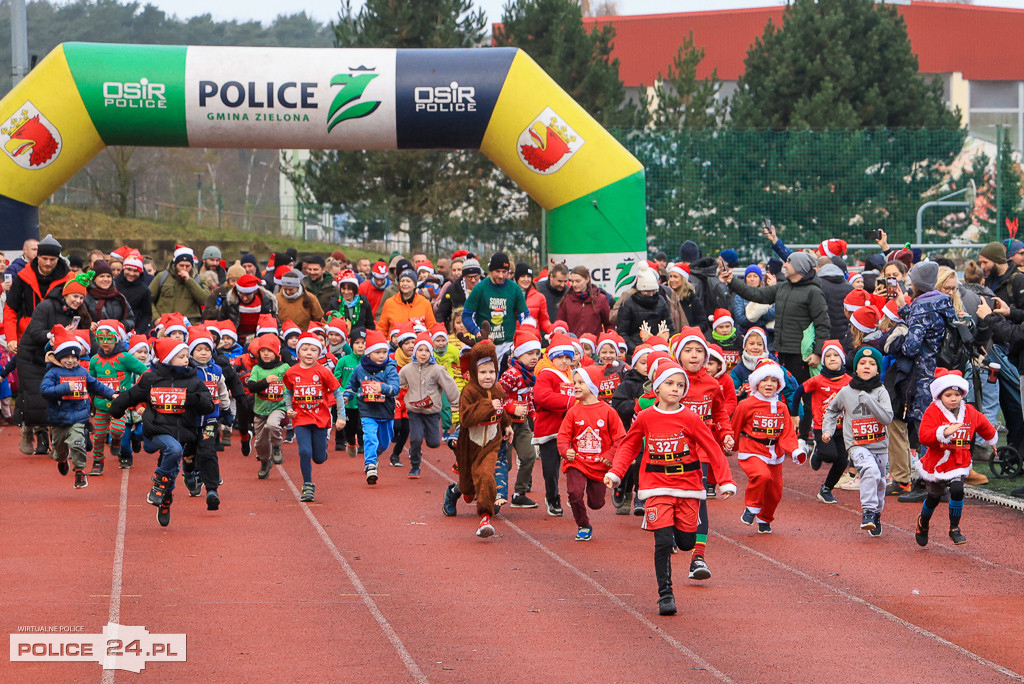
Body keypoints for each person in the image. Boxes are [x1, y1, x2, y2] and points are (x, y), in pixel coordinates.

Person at [604, 359, 737, 616]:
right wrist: (616, 473)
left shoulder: (690, 418)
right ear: (656, 387)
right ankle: (665, 594)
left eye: (680, 385)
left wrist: (725, 480)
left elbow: (711, 448)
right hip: (656, 487)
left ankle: (680, 531)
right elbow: (629, 445)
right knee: (663, 542)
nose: (675, 388)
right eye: (669, 383)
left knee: (686, 542)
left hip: (688, 486)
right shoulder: (646, 417)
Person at [721, 251, 830, 443]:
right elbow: (756, 294)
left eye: (788, 262)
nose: (784, 266)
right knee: (784, 394)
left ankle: (804, 437)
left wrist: (817, 352)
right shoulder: (783, 287)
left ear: (799, 268)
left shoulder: (813, 292)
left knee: (802, 395)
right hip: (782, 352)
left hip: (802, 355)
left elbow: (823, 324)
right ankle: (786, 435)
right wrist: (732, 282)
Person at [109, 337, 214, 526]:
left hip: (181, 433)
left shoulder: (193, 381)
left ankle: (165, 498)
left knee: (173, 465)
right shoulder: (151, 379)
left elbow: (208, 405)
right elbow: (132, 395)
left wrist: (193, 399)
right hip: (156, 430)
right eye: (181, 356)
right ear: (168, 358)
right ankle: (158, 487)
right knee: (174, 450)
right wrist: (117, 408)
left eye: (187, 356)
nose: (186, 360)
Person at [885, 261, 956, 501]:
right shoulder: (942, 301)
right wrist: (904, 307)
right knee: (939, 424)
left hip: (923, 375)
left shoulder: (921, 307)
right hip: (941, 371)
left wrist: (895, 340)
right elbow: (929, 324)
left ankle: (929, 484)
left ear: (917, 283)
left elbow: (911, 346)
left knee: (926, 426)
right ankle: (938, 480)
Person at [676, 328, 735, 579]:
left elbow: (720, 413)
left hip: (700, 452)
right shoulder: (672, 380)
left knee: (699, 500)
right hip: (673, 451)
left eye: (699, 351)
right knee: (675, 499)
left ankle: (698, 557)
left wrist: (726, 433)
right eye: (688, 350)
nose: (694, 355)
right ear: (678, 354)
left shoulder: (712, 384)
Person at [915, 369, 997, 546]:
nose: (953, 399)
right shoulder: (933, 411)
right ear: (940, 396)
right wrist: (944, 432)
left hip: (958, 461)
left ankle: (954, 528)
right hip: (937, 462)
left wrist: (992, 440)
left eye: (957, 395)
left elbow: (983, 424)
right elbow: (923, 436)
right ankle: (923, 522)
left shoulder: (969, 411)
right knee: (933, 498)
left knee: (958, 489)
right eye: (948, 395)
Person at [441, 341, 514, 538]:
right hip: (470, 445)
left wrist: (507, 424)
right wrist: (488, 406)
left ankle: (485, 519)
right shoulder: (469, 392)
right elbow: (466, 418)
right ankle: (453, 492)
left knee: (485, 476)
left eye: (491, 372)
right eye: (482, 372)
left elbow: (501, 409)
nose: (488, 376)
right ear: (474, 372)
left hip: (491, 444)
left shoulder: (498, 390)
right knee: (468, 487)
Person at [17, 273, 94, 456]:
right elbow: (35, 331)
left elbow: (85, 336)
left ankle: (57, 444)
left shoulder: (78, 312)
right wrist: (55, 335)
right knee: (36, 399)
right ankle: (28, 430)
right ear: (65, 294)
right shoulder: (46, 306)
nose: (78, 301)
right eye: (75, 296)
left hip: (56, 359)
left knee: (58, 400)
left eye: (81, 297)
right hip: (32, 357)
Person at [822, 346, 893, 536]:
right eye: (862, 363)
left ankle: (876, 513)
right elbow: (832, 410)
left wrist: (869, 401)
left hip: (879, 445)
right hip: (856, 444)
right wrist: (828, 430)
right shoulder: (846, 392)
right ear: (856, 368)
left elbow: (887, 418)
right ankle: (868, 511)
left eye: (872, 364)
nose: (866, 366)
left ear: (877, 370)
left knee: (880, 482)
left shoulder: (881, 392)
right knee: (869, 470)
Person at [734, 359, 806, 534]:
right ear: (756, 383)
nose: (769, 384)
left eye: (773, 381)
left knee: (775, 491)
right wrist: (730, 444)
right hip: (752, 450)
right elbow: (735, 426)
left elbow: (787, 433)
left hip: (775, 454)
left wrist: (795, 450)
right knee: (761, 475)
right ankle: (751, 508)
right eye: (764, 380)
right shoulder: (745, 405)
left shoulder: (782, 407)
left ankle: (765, 519)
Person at [40, 326, 117, 489]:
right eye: (66, 357)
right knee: (59, 450)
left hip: (78, 417)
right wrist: (66, 387)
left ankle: (80, 471)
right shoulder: (53, 373)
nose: (70, 360)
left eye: (73, 357)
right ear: (59, 357)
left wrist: (112, 394)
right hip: (59, 419)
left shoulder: (82, 371)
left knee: (77, 443)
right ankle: (62, 460)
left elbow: (96, 385)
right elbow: (45, 391)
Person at [557, 364, 625, 541]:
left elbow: (620, 438)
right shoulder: (573, 412)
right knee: (574, 493)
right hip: (577, 461)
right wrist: (565, 451)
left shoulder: (608, 412)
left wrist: (609, 456)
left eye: (581, 382)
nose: (576, 386)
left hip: (599, 464)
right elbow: (563, 436)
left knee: (596, 503)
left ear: (592, 385)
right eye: (575, 382)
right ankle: (583, 525)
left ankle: (595, 498)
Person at [283, 332, 345, 502]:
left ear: (319, 353)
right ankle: (307, 485)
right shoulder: (291, 372)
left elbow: (337, 393)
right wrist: (289, 408)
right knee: (304, 451)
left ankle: (321, 452)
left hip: (320, 419)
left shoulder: (323, 371)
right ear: (298, 352)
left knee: (318, 458)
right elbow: (288, 392)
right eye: (305, 349)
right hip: (301, 418)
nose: (309, 353)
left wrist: (341, 416)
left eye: (313, 350)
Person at [791, 340, 851, 504]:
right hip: (822, 426)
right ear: (823, 360)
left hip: (842, 427)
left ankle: (826, 490)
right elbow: (798, 392)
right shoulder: (817, 380)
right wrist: (795, 413)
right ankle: (818, 451)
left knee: (842, 461)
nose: (832, 358)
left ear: (842, 359)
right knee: (830, 455)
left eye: (836, 355)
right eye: (828, 356)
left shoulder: (849, 381)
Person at [88, 320, 149, 476]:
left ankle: (116, 440)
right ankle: (98, 462)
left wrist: (136, 391)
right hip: (101, 405)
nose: (105, 342)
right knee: (99, 436)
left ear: (117, 339)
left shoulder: (125, 357)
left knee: (117, 429)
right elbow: (91, 382)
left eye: (109, 338)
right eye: (100, 338)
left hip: (121, 404)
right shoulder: (94, 360)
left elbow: (145, 372)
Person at [399, 333, 460, 479]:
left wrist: (455, 404)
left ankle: (425, 434)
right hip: (414, 411)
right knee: (416, 439)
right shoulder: (407, 369)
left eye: (427, 351)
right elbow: (397, 384)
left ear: (431, 353)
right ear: (415, 352)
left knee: (434, 443)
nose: (423, 354)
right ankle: (415, 466)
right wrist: (392, 396)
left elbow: (450, 386)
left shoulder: (437, 370)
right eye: (420, 350)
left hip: (432, 412)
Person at [181, 326, 230, 509]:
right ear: (191, 352)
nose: (203, 353)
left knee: (208, 452)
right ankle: (189, 473)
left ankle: (212, 490)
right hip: (189, 420)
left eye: (207, 349)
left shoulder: (216, 370)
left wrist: (226, 410)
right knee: (190, 454)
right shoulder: (186, 371)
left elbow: (222, 390)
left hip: (210, 418)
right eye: (199, 349)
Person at [344, 329, 400, 485]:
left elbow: (396, 388)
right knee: (369, 436)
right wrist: (347, 397)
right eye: (378, 352)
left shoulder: (390, 368)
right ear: (368, 354)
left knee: (384, 442)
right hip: (367, 410)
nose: (382, 355)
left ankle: (374, 456)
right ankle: (370, 465)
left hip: (386, 411)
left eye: (384, 352)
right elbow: (352, 385)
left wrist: (382, 388)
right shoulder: (360, 369)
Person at [533, 334, 578, 517]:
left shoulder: (573, 375)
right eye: (560, 357)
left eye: (568, 357)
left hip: (571, 430)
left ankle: (575, 495)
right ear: (552, 357)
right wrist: (571, 402)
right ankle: (552, 497)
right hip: (550, 429)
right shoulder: (546, 374)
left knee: (576, 466)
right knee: (550, 470)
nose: (564, 361)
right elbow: (541, 396)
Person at [4, 234, 71, 352]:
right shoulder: (23, 277)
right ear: (37, 256)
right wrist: (11, 338)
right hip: (27, 337)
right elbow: (10, 309)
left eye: (52, 259)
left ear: (58, 259)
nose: (48, 263)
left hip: (58, 337)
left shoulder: (69, 278)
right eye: (44, 258)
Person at [499, 329, 542, 509]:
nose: (534, 357)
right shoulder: (512, 373)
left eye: (537, 353)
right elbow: (496, 396)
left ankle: (519, 493)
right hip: (505, 423)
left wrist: (534, 416)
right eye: (529, 353)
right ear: (519, 353)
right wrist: (511, 408)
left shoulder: (529, 374)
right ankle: (490, 488)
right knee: (505, 463)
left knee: (529, 455)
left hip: (522, 423)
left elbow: (527, 398)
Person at [463, 253, 529, 360]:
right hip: (485, 344)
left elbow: (524, 315)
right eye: (497, 271)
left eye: (504, 272)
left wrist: (523, 336)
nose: (501, 276)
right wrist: (478, 333)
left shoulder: (514, 289)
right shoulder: (480, 288)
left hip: (508, 344)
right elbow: (467, 315)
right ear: (491, 271)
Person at [246, 334, 291, 479]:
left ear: (276, 352)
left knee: (272, 424)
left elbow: (292, 383)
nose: (266, 354)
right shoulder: (257, 369)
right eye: (262, 351)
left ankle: (277, 446)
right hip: (260, 410)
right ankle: (265, 461)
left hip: (278, 406)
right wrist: (265, 381)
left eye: (269, 351)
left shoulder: (284, 368)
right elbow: (251, 387)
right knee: (260, 443)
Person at [616, 262, 675, 355]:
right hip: (636, 350)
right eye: (647, 292)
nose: (651, 294)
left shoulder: (661, 301)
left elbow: (670, 327)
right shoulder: (628, 304)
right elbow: (622, 332)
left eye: (653, 291)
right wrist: (636, 350)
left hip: (659, 348)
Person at [150, 245, 208, 322]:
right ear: (175, 265)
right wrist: (156, 318)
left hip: (190, 323)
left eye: (187, 266)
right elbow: (148, 299)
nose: (184, 268)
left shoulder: (199, 280)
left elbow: (205, 300)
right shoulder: (162, 277)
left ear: (192, 265)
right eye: (181, 265)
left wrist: (189, 281)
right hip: (166, 321)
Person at [378, 268, 436, 336]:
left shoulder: (425, 304)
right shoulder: (389, 303)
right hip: (394, 341)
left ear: (415, 285)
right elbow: (381, 328)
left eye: (408, 281)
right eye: (402, 281)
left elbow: (432, 328)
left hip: (417, 341)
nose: (405, 284)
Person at [557, 265, 611, 339]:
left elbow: (609, 324)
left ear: (587, 279)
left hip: (595, 344)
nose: (574, 284)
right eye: (572, 281)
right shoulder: (567, 300)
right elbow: (560, 323)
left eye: (578, 281)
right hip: (573, 344)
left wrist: (607, 340)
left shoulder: (600, 299)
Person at [218, 273, 278, 338]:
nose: (245, 298)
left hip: (259, 338)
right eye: (241, 294)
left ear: (254, 292)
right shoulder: (229, 303)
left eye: (248, 295)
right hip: (234, 338)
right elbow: (221, 321)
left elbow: (273, 322)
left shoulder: (265, 302)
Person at [335, 327, 366, 456]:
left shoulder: (368, 361)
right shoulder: (344, 360)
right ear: (351, 344)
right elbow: (335, 379)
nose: (360, 346)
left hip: (364, 401)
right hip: (348, 402)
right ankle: (351, 443)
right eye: (357, 343)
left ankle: (363, 445)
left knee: (362, 426)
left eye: (363, 342)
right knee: (349, 429)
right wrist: (342, 391)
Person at [84, 260, 135, 332]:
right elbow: (81, 320)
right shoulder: (86, 298)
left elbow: (131, 319)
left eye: (108, 276)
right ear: (94, 279)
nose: (106, 279)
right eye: (102, 276)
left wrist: (123, 325)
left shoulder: (119, 297)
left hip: (117, 335)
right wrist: (89, 325)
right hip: (95, 336)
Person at [435, 258, 481, 329]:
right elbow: (441, 314)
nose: (473, 280)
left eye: (476, 277)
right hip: (459, 331)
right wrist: (442, 331)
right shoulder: (453, 289)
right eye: (470, 277)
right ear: (464, 276)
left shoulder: (486, 287)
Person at [978, 241, 1024, 311]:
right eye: (981, 262)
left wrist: (1009, 312)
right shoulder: (987, 280)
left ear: (997, 261)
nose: (982, 266)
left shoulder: (1018, 280)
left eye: (985, 262)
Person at [115, 254, 153, 334]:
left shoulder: (144, 290)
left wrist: (137, 331)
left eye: (135, 271)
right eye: (129, 269)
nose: (131, 273)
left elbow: (147, 314)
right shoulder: (114, 284)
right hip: (113, 327)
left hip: (134, 329)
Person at [516, 262, 552, 334]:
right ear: (517, 278)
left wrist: (554, 330)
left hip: (533, 338)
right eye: (523, 276)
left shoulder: (539, 297)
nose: (526, 279)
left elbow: (544, 321)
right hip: (514, 338)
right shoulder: (510, 295)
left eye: (529, 277)